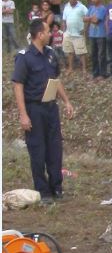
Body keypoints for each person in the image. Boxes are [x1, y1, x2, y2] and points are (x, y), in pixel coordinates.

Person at [11, 18, 76, 202]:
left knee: (55, 148)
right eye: (48, 31)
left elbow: (55, 80)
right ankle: (43, 190)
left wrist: (66, 101)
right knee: (38, 150)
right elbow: (18, 85)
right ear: (39, 35)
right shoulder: (24, 57)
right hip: (34, 109)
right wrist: (23, 114)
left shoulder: (50, 54)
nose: (50, 34)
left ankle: (57, 186)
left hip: (50, 108)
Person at [61, 0, 89, 75]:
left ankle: (84, 69)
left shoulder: (82, 7)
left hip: (78, 33)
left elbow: (88, 17)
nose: (71, 0)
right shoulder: (66, 7)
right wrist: (64, 30)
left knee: (81, 52)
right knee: (70, 51)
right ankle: (70, 68)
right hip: (68, 32)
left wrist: (85, 28)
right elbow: (64, 19)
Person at [85, 0, 108, 79]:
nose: (93, 0)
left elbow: (96, 21)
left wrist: (89, 18)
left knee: (101, 54)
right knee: (93, 54)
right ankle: (95, 73)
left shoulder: (103, 9)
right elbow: (84, 19)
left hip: (101, 34)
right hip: (92, 34)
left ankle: (103, 73)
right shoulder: (91, 8)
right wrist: (91, 18)